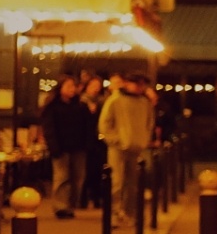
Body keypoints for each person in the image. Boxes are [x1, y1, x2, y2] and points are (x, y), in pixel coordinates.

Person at [98, 73, 155, 218]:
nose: (139, 87)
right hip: (118, 147)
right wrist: (115, 139)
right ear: (126, 83)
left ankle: (130, 212)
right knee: (117, 181)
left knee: (133, 183)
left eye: (142, 84)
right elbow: (105, 124)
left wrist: (144, 139)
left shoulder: (144, 102)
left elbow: (149, 123)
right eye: (136, 83)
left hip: (137, 147)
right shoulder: (115, 100)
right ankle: (114, 212)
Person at [41, 75, 94, 219]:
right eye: (68, 86)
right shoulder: (52, 107)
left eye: (73, 86)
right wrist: (54, 147)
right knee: (62, 177)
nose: (72, 89)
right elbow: (49, 128)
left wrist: (88, 144)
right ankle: (61, 206)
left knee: (78, 178)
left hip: (79, 147)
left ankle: (71, 205)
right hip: (61, 148)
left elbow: (88, 126)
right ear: (60, 88)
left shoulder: (81, 106)